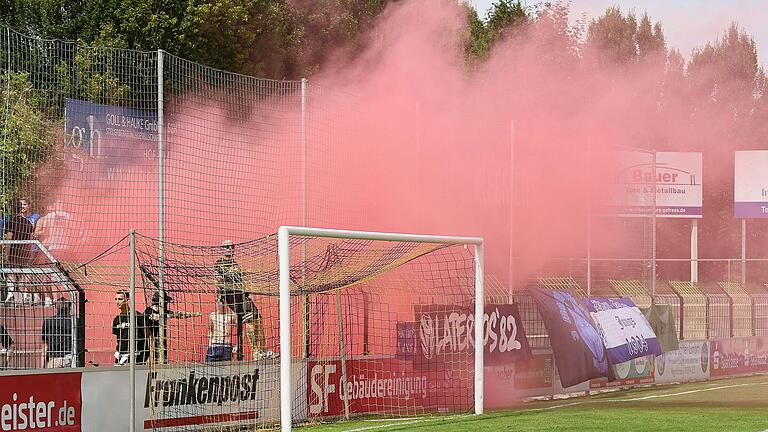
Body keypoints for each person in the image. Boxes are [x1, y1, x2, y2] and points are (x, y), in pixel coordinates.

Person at [214, 239, 274, 360]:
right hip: (232, 297)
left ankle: (263, 349)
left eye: (231, 246)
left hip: (242, 295)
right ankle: (256, 352)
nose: (229, 249)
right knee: (250, 320)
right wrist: (220, 298)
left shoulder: (235, 264)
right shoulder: (219, 264)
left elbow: (240, 281)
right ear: (221, 249)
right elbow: (218, 281)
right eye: (226, 247)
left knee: (257, 318)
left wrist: (247, 292)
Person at [143, 291, 198, 363]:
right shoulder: (148, 311)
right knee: (154, 363)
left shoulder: (163, 311)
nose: (167, 303)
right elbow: (156, 317)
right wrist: (168, 315)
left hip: (161, 341)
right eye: (166, 301)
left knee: (163, 360)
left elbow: (177, 314)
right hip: (149, 343)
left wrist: (192, 314)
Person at [4, 199, 34, 304]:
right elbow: (30, 241)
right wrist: (29, 253)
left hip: (14, 252)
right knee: (24, 274)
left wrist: (7, 254)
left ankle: (11, 293)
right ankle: (21, 297)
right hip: (25, 252)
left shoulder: (11, 221)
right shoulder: (28, 222)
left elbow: (9, 239)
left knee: (11, 272)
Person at [112, 289, 149, 365]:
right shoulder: (116, 319)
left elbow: (147, 335)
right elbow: (118, 337)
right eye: (116, 299)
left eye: (120, 299)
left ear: (127, 300)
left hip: (136, 354)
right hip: (120, 354)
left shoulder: (138, 316)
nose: (117, 302)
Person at [41, 298, 74, 368]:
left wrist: (42, 367)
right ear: (69, 308)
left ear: (56, 308)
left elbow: (45, 346)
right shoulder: (74, 322)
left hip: (54, 360)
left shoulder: (48, 322)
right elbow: (79, 344)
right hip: (70, 359)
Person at [206, 298, 236, 362]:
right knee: (209, 368)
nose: (219, 304)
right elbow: (210, 331)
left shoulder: (232, 315)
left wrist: (238, 345)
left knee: (226, 369)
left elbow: (242, 330)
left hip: (226, 346)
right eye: (217, 301)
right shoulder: (212, 315)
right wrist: (209, 345)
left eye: (221, 302)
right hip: (214, 346)